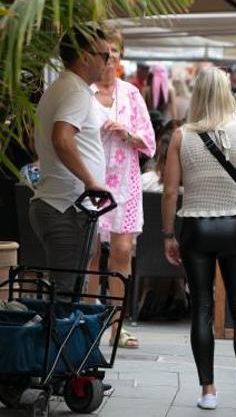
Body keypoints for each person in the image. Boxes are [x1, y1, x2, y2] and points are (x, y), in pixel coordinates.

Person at [161, 67, 236, 411]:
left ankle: (208, 391)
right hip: (235, 227)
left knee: (202, 310)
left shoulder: (182, 136)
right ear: (228, 94)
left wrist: (168, 235)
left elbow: (169, 192)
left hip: (196, 228)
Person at [87, 27, 156, 348]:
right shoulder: (83, 92)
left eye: (115, 51)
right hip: (88, 179)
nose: (110, 56)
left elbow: (150, 143)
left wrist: (127, 133)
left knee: (122, 251)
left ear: (120, 55)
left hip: (124, 184)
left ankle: (116, 325)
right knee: (89, 255)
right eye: (105, 50)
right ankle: (85, 322)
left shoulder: (131, 94)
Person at [29, 26, 111, 295]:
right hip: (66, 205)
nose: (108, 64)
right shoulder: (75, 91)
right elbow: (61, 139)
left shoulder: (61, 87)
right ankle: (59, 338)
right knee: (66, 294)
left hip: (60, 203)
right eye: (105, 56)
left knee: (66, 290)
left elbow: (43, 140)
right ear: (85, 57)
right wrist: (91, 182)